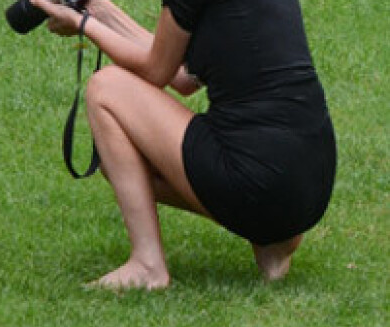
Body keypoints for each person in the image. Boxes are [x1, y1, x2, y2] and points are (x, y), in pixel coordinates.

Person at [30, 0, 337, 289]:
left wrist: (81, 23)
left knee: (106, 88)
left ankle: (147, 265)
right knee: (124, 162)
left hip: (256, 176)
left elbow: (156, 71)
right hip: (312, 179)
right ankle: (275, 243)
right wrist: (101, 11)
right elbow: (183, 75)